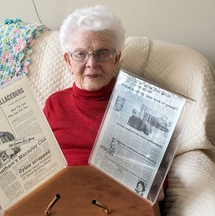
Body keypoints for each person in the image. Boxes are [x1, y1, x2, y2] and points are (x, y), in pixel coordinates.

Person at [43, 5, 165, 202]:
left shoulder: (142, 106)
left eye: (102, 53)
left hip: (116, 204)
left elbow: (158, 170)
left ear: (116, 58)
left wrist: (156, 184)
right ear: (68, 61)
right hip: (57, 202)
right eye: (81, 54)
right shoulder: (54, 104)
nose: (91, 63)